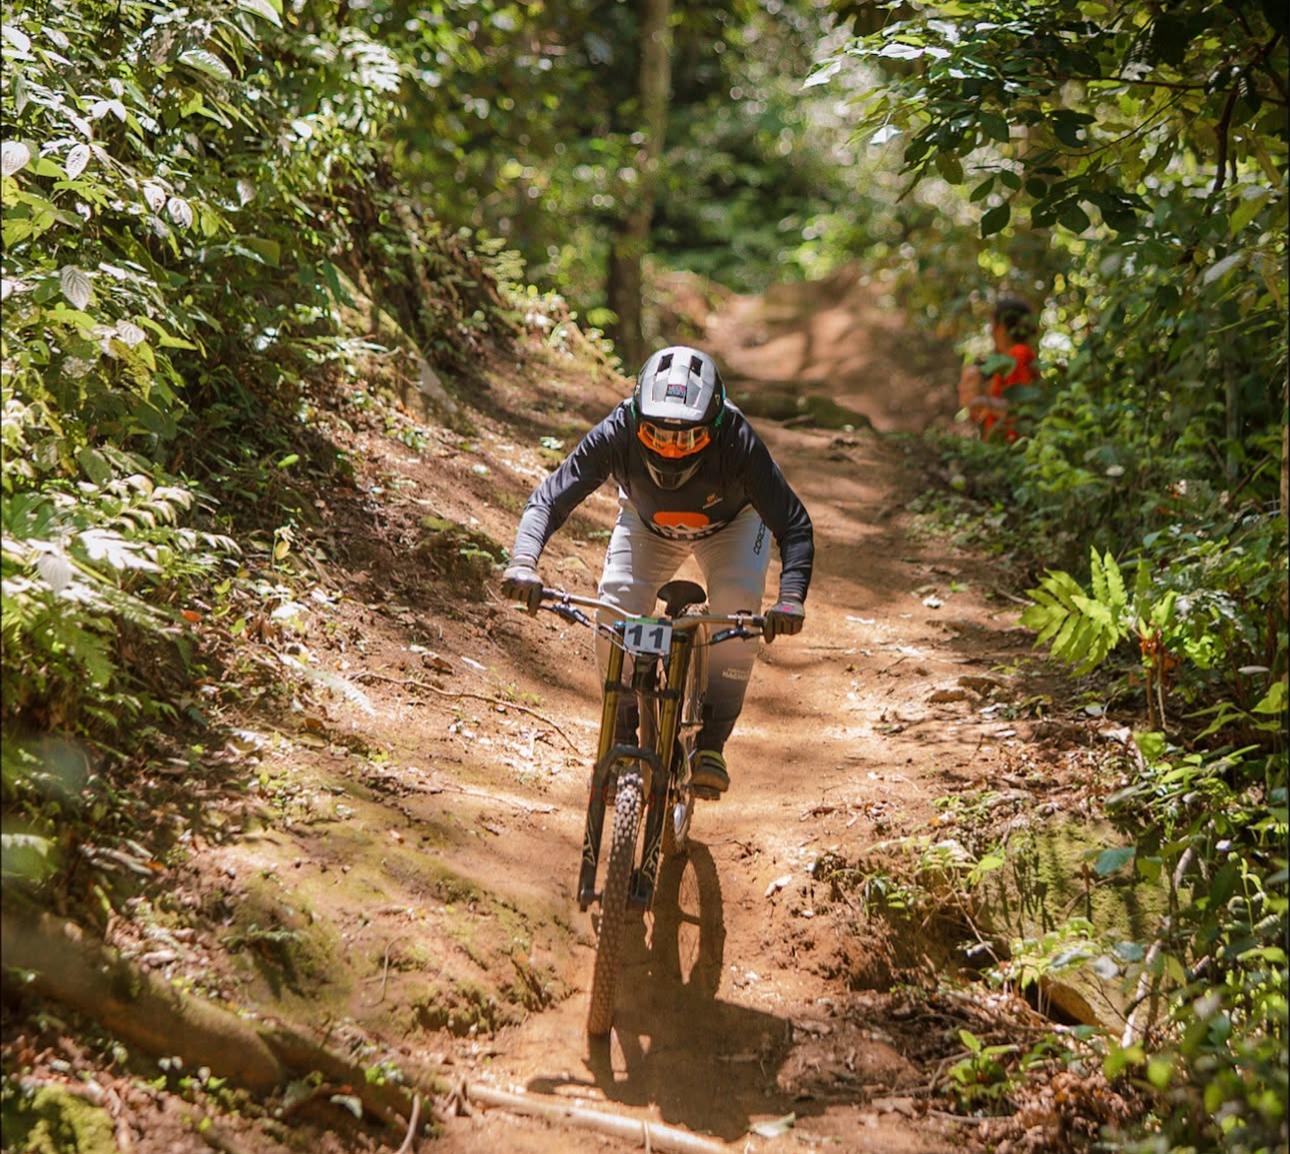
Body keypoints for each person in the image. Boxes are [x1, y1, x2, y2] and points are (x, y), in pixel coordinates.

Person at [499, 345, 814, 796]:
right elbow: (550, 498)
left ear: (715, 426)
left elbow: (793, 524)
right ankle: (621, 739)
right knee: (614, 608)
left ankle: (710, 744)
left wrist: (790, 598)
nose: (670, 448)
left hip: (733, 526)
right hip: (647, 524)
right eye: (657, 434)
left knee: (737, 607)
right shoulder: (618, 430)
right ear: (636, 419)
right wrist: (523, 562)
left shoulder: (738, 440)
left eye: (687, 438)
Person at [957, 296, 1040, 441]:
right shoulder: (1008, 359)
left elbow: (1019, 409)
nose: (992, 333)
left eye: (993, 326)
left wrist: (981, 401)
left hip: (1015, 444)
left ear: (1001, 328)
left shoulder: (1019, 354)